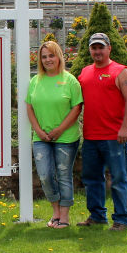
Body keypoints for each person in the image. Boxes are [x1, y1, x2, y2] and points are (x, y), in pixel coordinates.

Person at [76, 31, 127, 230]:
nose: (97, 51)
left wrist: (125, 128)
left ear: (109, 48)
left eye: (101, 47)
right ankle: (97, 216)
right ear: (90, 50)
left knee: (118, 179)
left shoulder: (121, 72)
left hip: (114, 137)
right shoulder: (84, 73)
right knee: (92, 178)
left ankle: (121, 219)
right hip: (91, 137)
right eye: (94, 47)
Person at [25, 40, 83, 228]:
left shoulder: (70, 80)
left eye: (51, 55)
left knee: (64, 174)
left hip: (66, 138)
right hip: (41, 138)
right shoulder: (35, 81)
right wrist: (39, 131)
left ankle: (64, 216)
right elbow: (29, 107)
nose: (48, 59)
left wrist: (59, 130)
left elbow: (76, 108)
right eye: (44, 57)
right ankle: (55, 210)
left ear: (59, 57)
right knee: (45, 175)